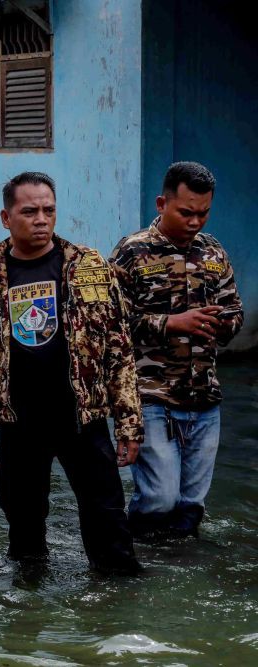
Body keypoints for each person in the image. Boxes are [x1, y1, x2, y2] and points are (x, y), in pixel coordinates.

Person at [0, 172, 143, 575]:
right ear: (5, 217)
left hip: (83, 418)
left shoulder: (91, 266)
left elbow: (119, 349)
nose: (41, 219)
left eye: (49, 210)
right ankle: (27, 613)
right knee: (23, 527)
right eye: (29, 211)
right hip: (20, 422)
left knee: (108, 523)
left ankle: (117, 614)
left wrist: (129, 423)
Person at [110, 162, 243, 541]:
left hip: (205, 398)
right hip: (151, 397)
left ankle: (181, 575)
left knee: (190, 508)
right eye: (186, 212)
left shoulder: (213, 251)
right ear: (161, 203)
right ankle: (129, 558)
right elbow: (109, 325)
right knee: (159, 499)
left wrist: (222, 323)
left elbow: (235, 311)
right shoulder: (131, 253)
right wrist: (171, 323)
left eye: (203, 213)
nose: (195, 221)